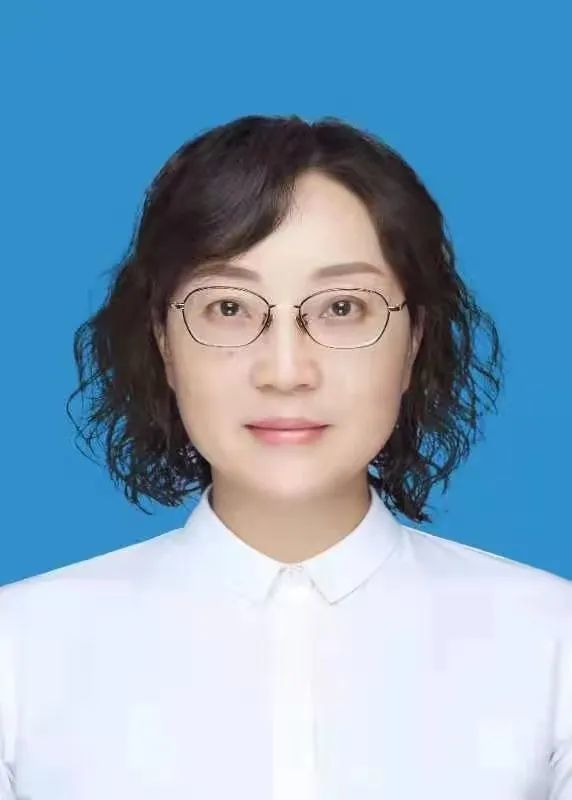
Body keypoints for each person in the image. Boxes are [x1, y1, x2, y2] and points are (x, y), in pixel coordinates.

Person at [0, 114, 570, 800]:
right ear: (163, 342)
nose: (286, 371)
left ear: (414, 341)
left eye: (342, 308)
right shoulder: (19, 651)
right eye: (229, 309)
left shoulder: (553, 644)